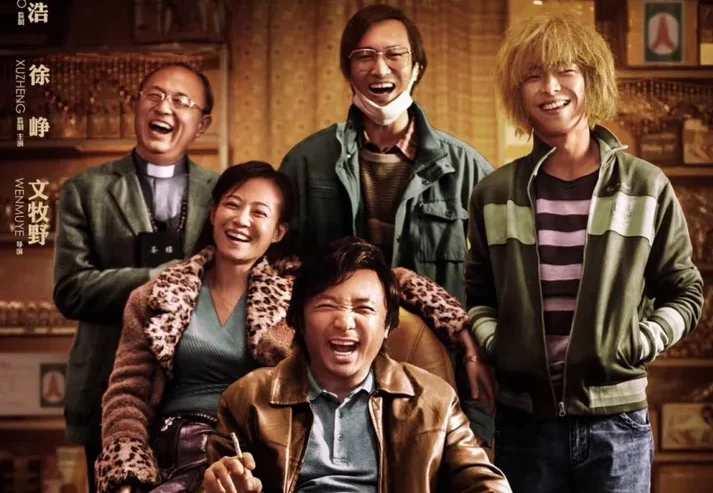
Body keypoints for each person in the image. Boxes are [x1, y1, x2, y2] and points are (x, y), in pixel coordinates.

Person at [95, 165, 471, 493]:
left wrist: (462, 330)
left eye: (259, 212)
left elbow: (380, 278)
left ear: (278, 230)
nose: (241, 220)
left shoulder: (298, 289)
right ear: (212, 213)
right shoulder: (157, 294)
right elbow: (127, 392)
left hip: (261, 445)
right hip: (177, 446)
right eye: (232, 205)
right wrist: (126, 469)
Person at [465, 14, 704, 493]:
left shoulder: (645, 185)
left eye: (565, 71)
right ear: (518, 91)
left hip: (618, 428)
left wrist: (638, 342)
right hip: (523, 425)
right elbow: (478, 294)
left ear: (591, 79)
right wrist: (497, 344)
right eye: (533, 75)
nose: (550, 88)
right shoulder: (493, 193)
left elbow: (686, 292)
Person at [203, 237, 512, 493]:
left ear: (388, 325)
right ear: (298, 319)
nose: (344, 322)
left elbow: (484, 483)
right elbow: (217, 483)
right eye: (327, 305)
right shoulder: (247, 398)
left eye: (364, 309)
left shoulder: (434, 401)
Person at [53, 62, 217, 493]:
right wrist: (155, 278)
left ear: (202, 124)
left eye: (181, 100)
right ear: (136, 106)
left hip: (194, 392)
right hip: (107, 387)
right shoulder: (85, 189)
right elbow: (70, 290)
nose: (164, 107)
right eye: (154, 95)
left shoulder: (221, 195)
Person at [280, 4, 493, 304]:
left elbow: (496, 276)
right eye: (365, 56)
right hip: (337, 330)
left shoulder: (467, 169)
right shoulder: (305, 163)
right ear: (347, 71)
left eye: (395, 54)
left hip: (433, 332)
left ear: (417, 67)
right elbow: (278, 267)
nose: (380, 69)